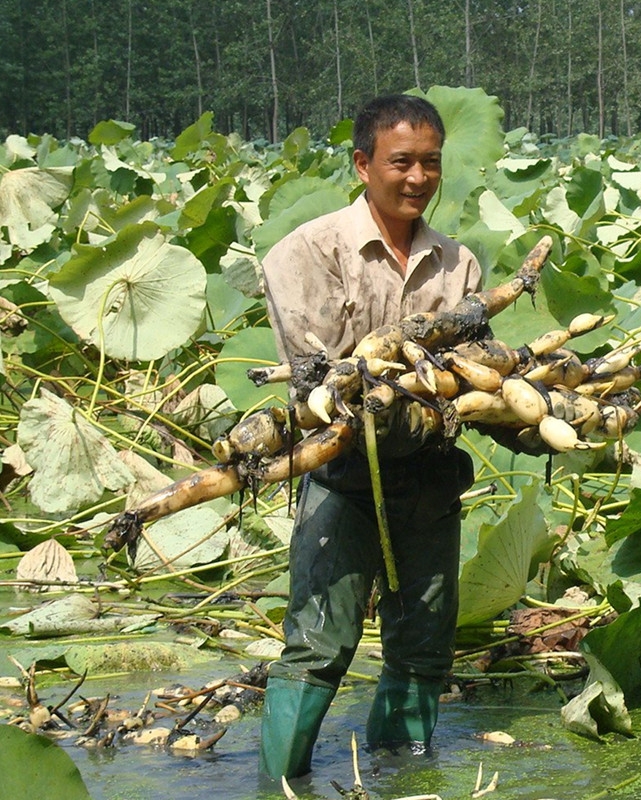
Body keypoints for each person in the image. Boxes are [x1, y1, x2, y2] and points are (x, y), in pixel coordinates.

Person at [259, 94, 482, 782]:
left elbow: (471, 371)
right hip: (342, 470)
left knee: (422, 650)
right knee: (318, 646)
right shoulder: (307, 252)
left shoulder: (458, 265)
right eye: (401, 162)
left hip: (430, 476)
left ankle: (404, 784)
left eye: (431, 164)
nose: (417, 178)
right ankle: (278, 787)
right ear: (363, 164)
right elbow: (317, 378)